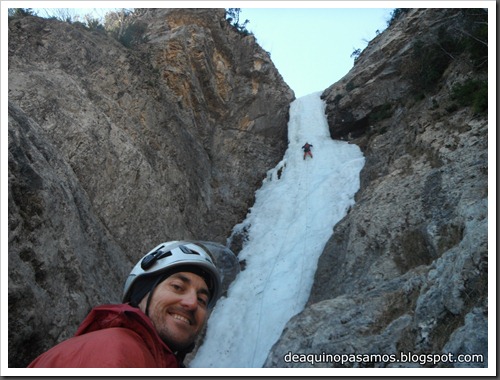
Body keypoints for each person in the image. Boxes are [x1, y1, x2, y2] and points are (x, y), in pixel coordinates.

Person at [28, 241, 222, 368]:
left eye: (202, 300)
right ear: (140, 294)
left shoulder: (141, 357)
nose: (191, 303)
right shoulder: (115, 351)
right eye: (178, 287)